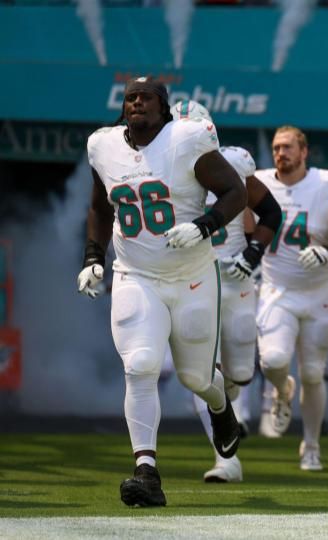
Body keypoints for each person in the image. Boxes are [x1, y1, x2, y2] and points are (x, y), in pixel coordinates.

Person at [79, 77, 247, 507]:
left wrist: (204, 225)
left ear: (164, 107)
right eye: (130, 97)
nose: (137, 103)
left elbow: (236, 192)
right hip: (135, 273)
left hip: (191, 275)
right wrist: (93, 257)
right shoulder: (103, 146)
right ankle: (146, 471)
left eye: (146, 97)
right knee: (141, 365)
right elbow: (100, 207)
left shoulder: (186, 140)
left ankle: (221, 408)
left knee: (195, 378)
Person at [171, 100, 284, 483]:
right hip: (191, 279)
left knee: (238, 372)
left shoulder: (234, 163)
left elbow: (271, 213)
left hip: (235, 277)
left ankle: (230, 412)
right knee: (203, 371)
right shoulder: (158, 170)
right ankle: (225, 460)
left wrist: (253, 253)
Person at [254, 125, 328, 471]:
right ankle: (282, 390)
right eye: (276, 148)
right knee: (273, 361)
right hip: (276, 290)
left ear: (304, 151)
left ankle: (311, 445)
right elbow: (242, 229)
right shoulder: (260, 182)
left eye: (287, 147)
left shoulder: (327, 186)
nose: (280, 153)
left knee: (313, 373)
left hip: (317, 293)